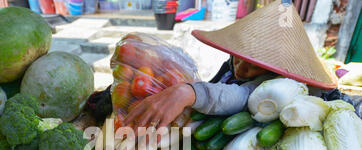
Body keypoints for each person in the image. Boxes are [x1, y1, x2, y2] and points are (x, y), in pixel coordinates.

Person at [124, 0, 339, 130]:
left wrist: (188, 92)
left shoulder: (280, 86)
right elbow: (218, 86)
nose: (240, 69)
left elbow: (242, 96)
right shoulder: (231, 66)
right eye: (238, 57)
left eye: (253, 66)